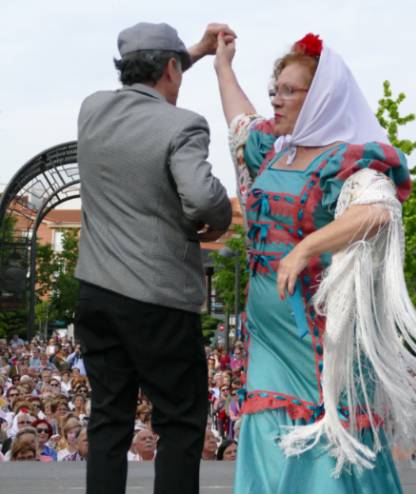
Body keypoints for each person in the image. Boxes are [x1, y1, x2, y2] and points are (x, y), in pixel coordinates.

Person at [215, 32, 416, 493]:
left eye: (290, 91)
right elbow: (239, 121)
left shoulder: (348, 160)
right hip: (268, 334)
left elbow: (377, 211)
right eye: (275, 90)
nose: (276, 99)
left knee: (323, 433)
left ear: (321, 98)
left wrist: (306, 248)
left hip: (319, 333)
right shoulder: (275, 148)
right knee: (267, 428)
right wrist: (223, 66)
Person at [74, 22, 234, 494]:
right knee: (180, 422)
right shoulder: (182, 124)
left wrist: (192, 52)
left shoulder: (91, 110)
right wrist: (219, 220)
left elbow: (148, 79)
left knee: (109, 418)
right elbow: (203, 198)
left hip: (96, 293)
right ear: (170, 68)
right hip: (158, 299)